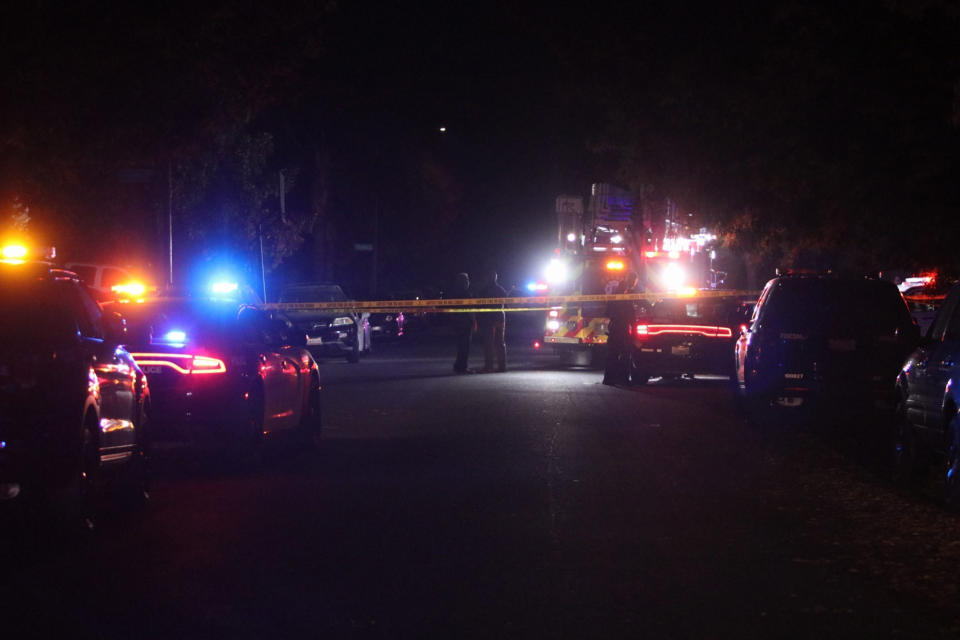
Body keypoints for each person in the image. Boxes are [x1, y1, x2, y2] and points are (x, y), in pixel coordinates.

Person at [603, 271, 639, 385]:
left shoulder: (616, 292)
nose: (635, 285)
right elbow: (630, 314)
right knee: (625, 354)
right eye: (635, 282)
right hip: (622, 328)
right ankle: (623, 379)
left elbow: (607, 311)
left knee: (612, 354)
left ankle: (608, 379)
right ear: (633, 281)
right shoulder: (627, 293)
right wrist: (634, 332)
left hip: (614, 327)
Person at [477, 270, 507, 372]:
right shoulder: (501, 290)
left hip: (488, 319)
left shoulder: (484, 290)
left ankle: (489, 366)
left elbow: (479, 306)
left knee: (489, 343)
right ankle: (502, 366)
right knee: (500, 343)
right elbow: (507, 304)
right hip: (500, 318)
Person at [451, 272, 475, 374]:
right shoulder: (466, 294)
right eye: (467, 280)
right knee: (465, 346)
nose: (468, 282)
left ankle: (458, 366)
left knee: (460, 346)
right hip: (465, 323)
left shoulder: (455, 293)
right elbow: (469, 309)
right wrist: (473, 321)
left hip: (457, 323)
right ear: (464, 282)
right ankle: (462, 367)